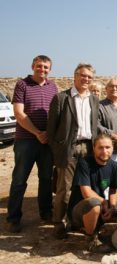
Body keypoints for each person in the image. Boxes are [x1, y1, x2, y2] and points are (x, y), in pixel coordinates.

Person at [6, 55, 58, 233]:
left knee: (45, 179)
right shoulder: (22, 84)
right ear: (32, 66)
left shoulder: (53, 87)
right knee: (20, 180)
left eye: (45, 67)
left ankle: (46, 213)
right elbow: (19, 113)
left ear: (49, 70)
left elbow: (56, 112)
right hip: (26, 141)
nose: (42, 69)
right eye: (39, 66)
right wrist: (37, 133)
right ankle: (13, 218)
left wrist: (48, 135)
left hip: (46, 141)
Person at [47, 63, 99, 239]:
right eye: (82, 75)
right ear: (75, 76)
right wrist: (58, 150)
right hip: (68, 148)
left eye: (89, 77)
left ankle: (77, 220)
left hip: (89, 148)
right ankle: (59, 223)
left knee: (84, 187)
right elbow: (51, 129)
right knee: (64, 187)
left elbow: (94, 127)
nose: (86, 79)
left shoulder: (93, 99)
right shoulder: (62, 98)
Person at [67, 134, 117, 251]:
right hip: (80, 211)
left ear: (112, 148)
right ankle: (91, 238)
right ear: (94, 148)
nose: (104, 151)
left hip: (101, 206)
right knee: (94, 204)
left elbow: (113, 190)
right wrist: (104, 202)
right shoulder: (84, 163)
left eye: (107, 147)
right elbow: (86, 192)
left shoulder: (114, 166)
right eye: (100, 148)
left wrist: (111, 207)